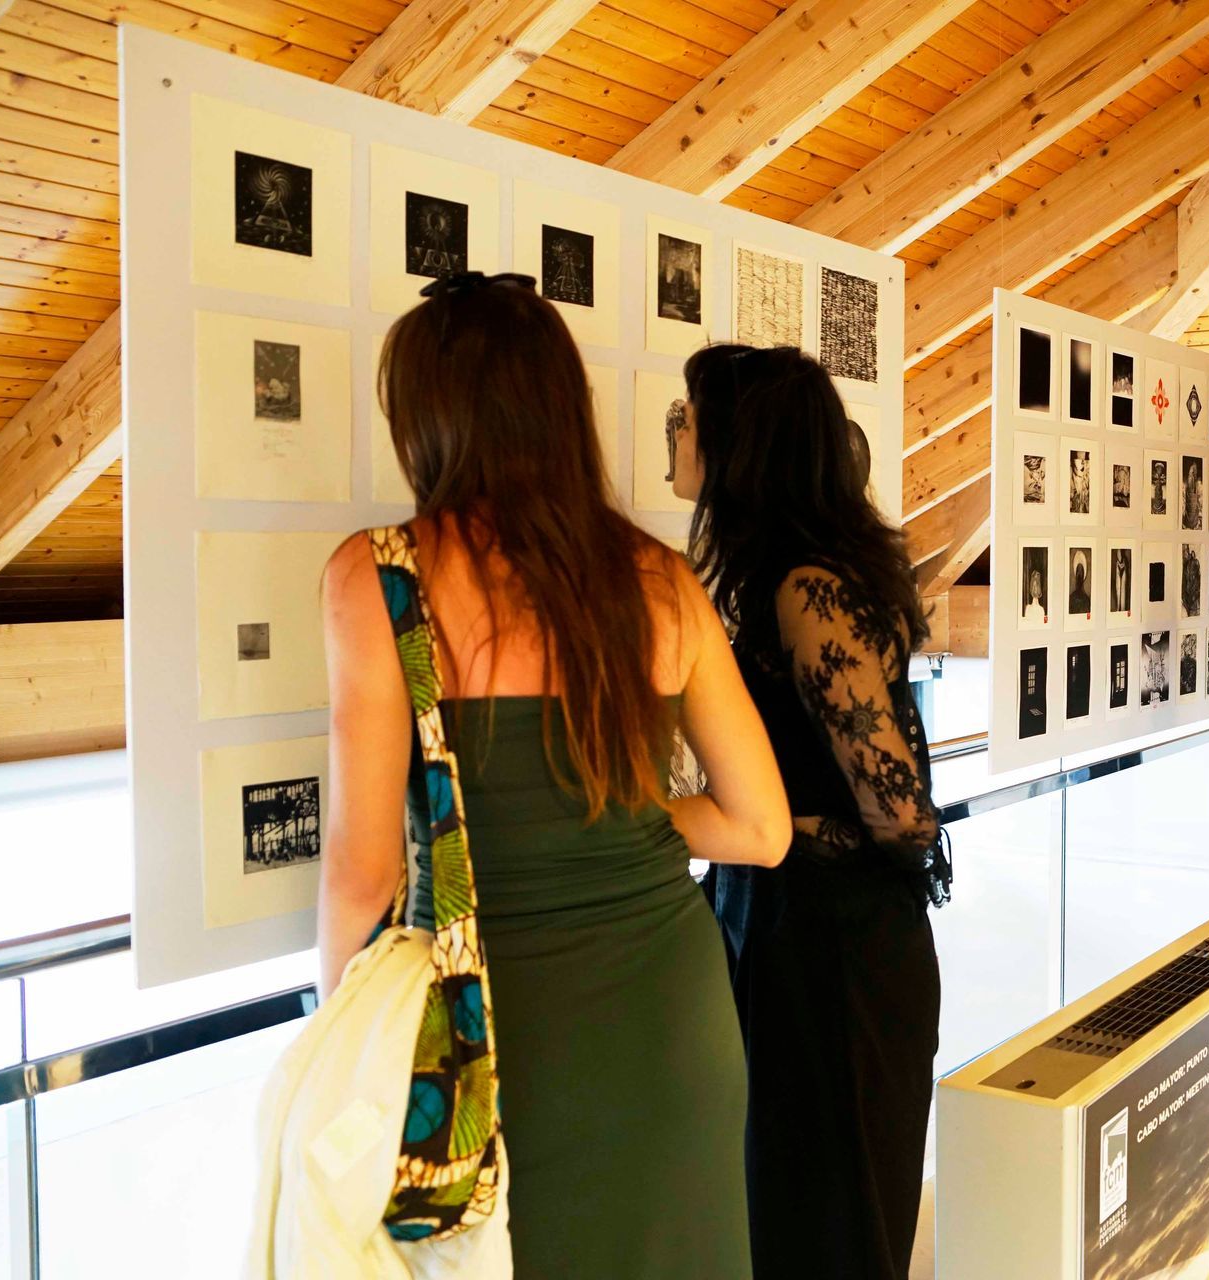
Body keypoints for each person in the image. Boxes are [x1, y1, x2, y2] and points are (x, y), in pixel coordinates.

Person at [317, 273, 790, 1275]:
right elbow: (761, 828)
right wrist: (626, 813)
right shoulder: (662, 580)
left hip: (495, 1033)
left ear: (430, 419)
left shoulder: (379, 576)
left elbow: (362, 877)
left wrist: (344, 1063)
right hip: (675, 1023)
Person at [675, 343, 949, 1280]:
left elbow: (903, 817)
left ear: (740, 444)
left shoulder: (807, 588)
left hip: (838, 960)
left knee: (829, 1234)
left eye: (687, 417)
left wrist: (763, 826)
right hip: (795, 937)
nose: (676, 433)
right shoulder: (786, 578)